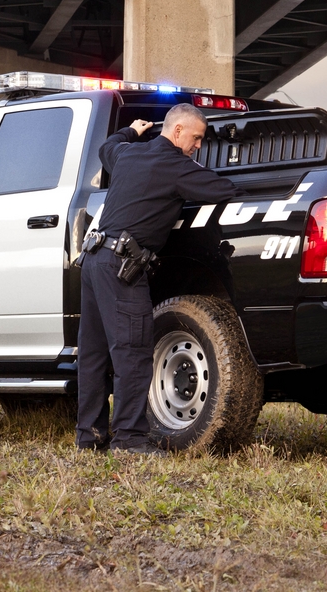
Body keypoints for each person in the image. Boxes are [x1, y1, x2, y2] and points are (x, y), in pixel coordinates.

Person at [76, 103, 241, 455]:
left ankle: (89, 437)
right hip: (123, 268)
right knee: (133, 355)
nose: (197, 145)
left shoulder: (128, 154)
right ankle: (129, 439)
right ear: (178, 131)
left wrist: (132, 130)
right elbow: (223, 189)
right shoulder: (176, 166)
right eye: (195, 138)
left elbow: (107, 148)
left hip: (94, 261)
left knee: (93, 356)